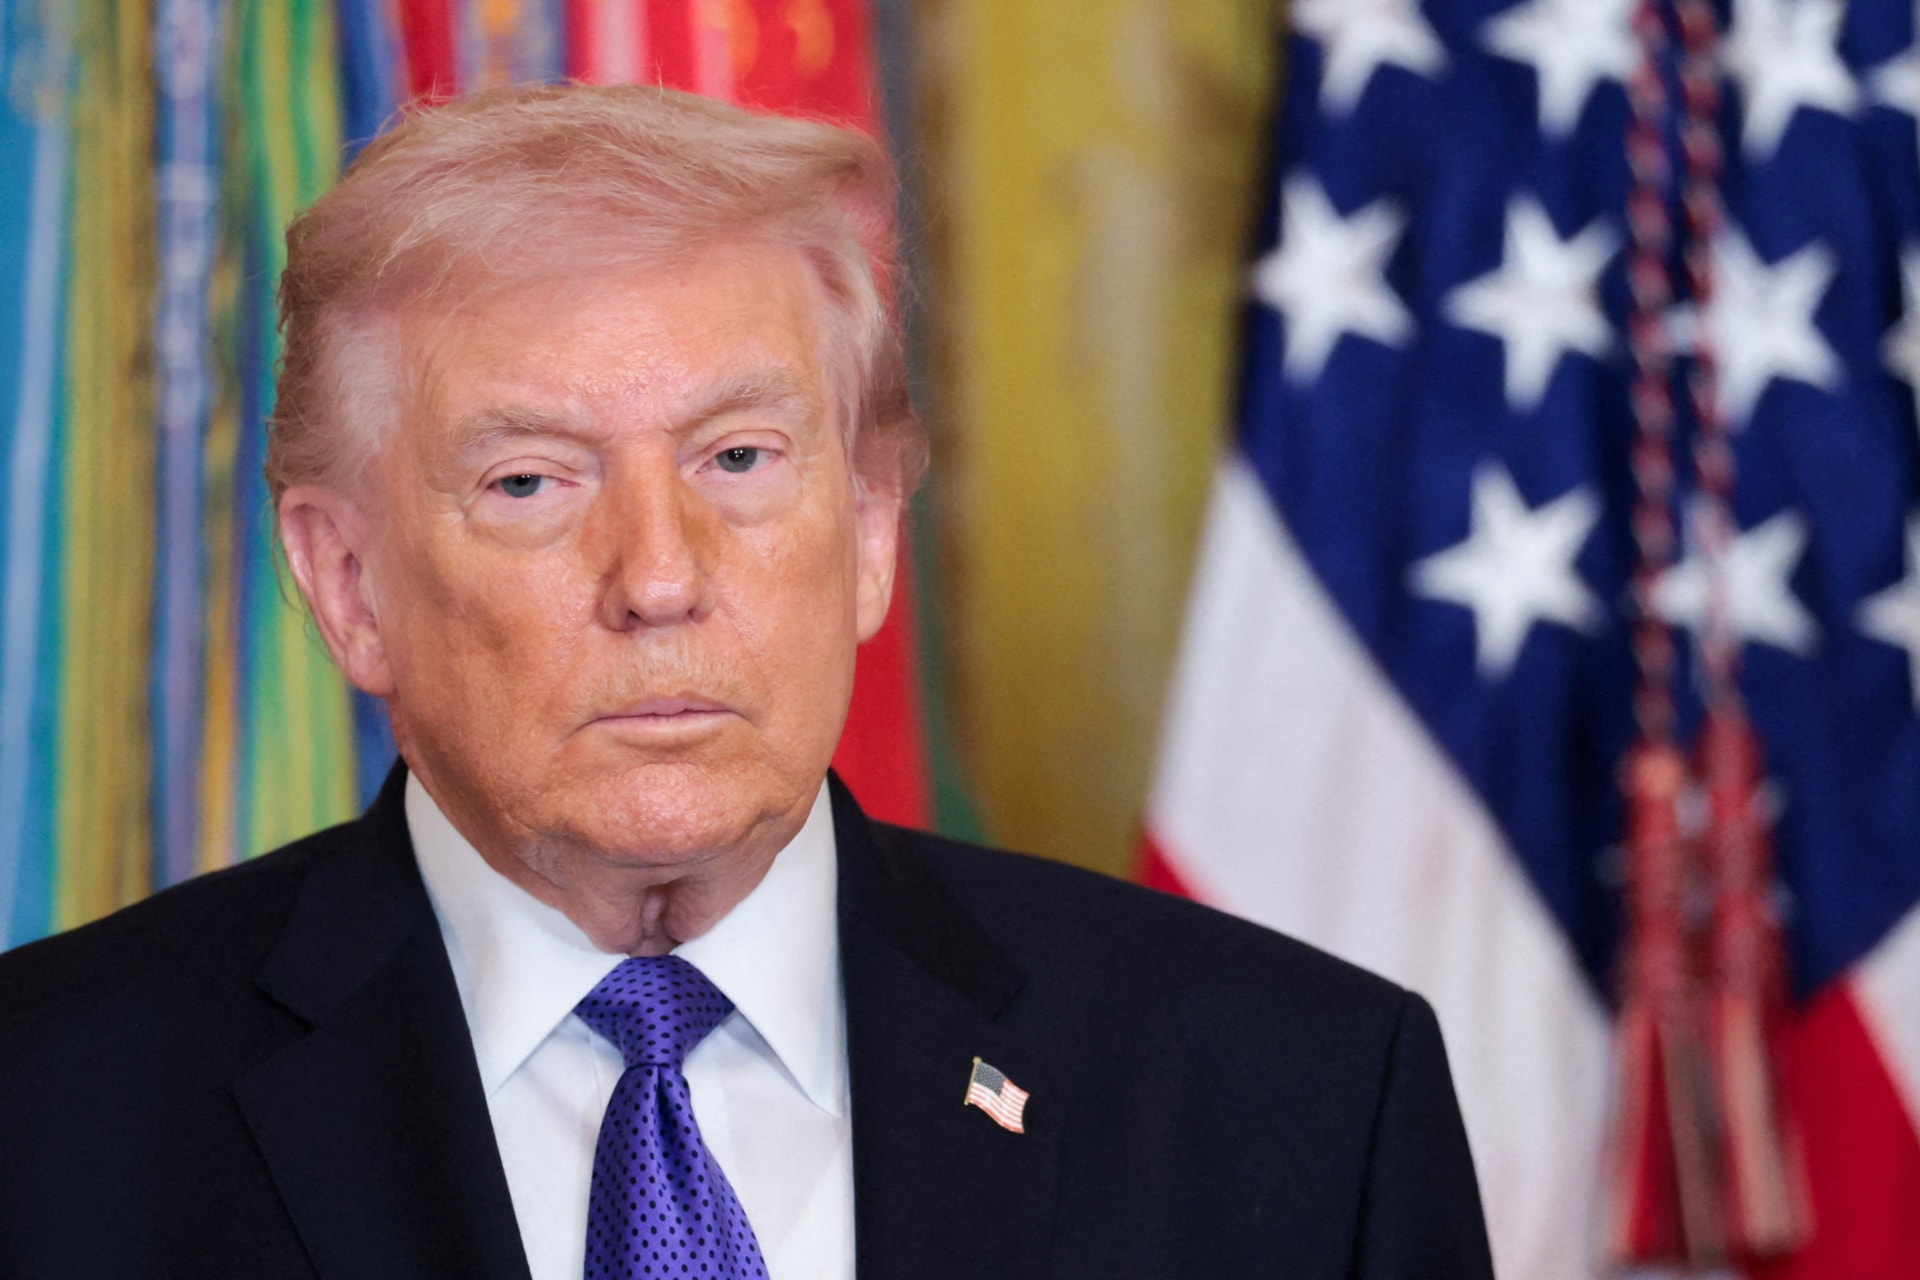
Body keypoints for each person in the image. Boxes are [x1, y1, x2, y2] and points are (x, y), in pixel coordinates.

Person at [0, 84, 1494, 1280]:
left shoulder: (1299, 1097)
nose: (659, 572)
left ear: (866, 531)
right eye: (529, 480)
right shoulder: (45, 1120)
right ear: (347, 585)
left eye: (738, 459)